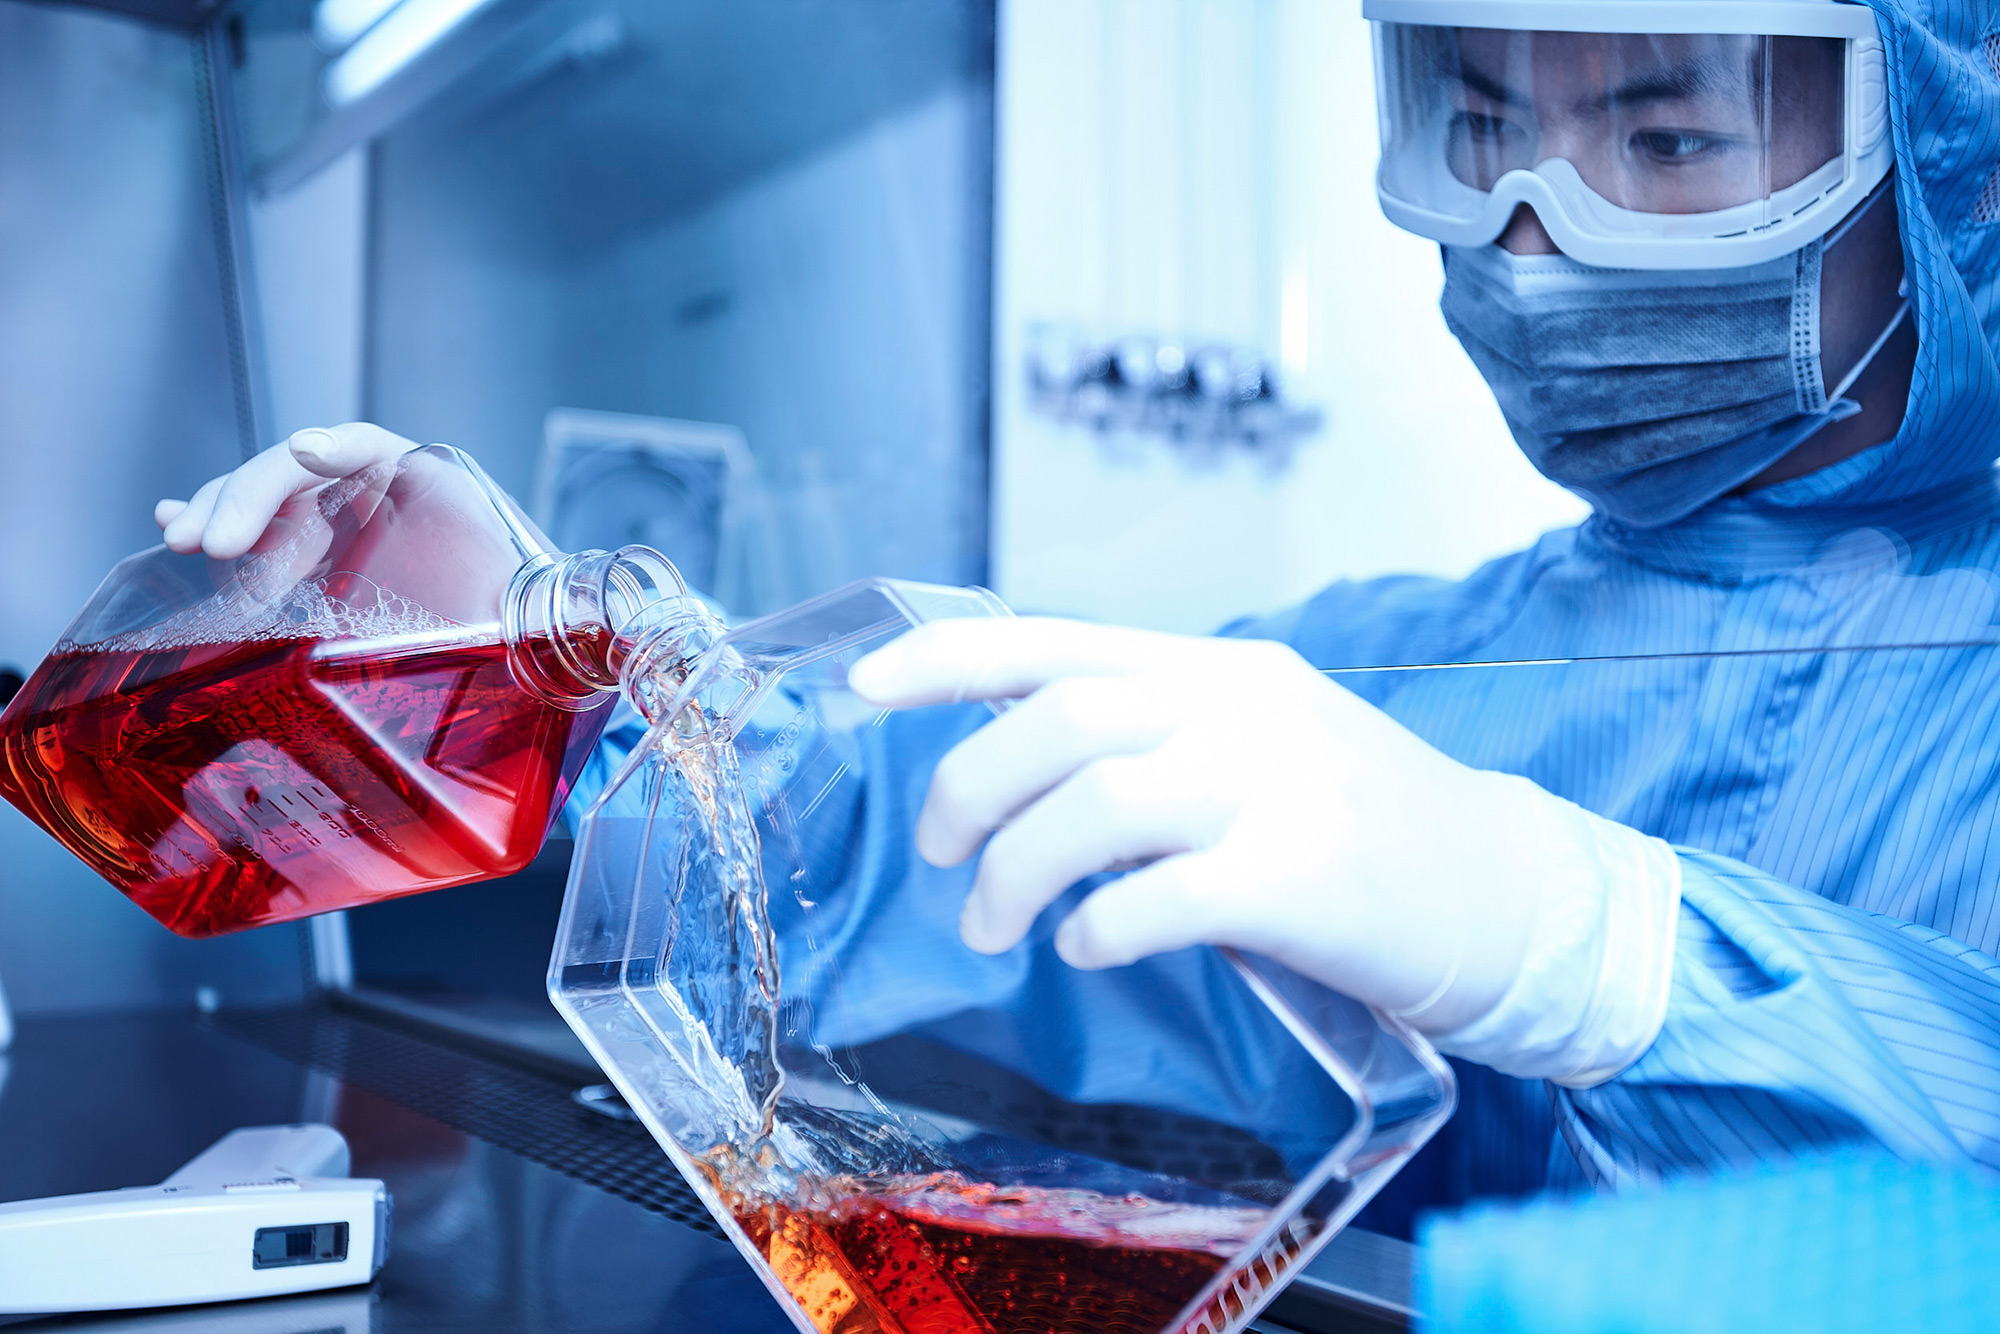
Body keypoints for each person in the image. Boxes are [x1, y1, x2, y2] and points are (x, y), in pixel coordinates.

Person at [157, 0, 2000, 1223]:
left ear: (1949, 157)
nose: (1527, 238)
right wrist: (568, 658)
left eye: (1670, 141)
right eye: (1479, 124)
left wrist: (1595, 947)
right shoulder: (1397, 666)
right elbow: (969, 837)